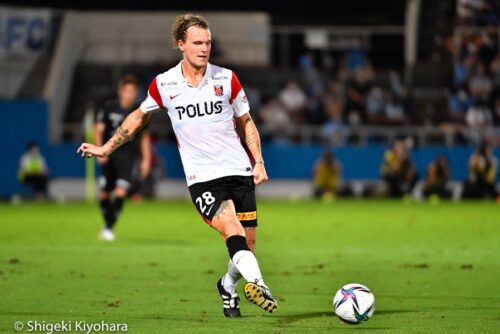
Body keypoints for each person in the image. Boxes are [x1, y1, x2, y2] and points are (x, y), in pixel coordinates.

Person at [77, 14, 277, 317]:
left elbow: (246, 122)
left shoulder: (226, 78)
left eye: (208, 42)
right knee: (230, 228)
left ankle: (227, 285)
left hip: (238, 170)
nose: (204, 48)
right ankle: (260, 285)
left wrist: (258, 161)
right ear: (181, 44)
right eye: (197, 42)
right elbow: (137, 117)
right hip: (202, 178)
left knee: (247, 245)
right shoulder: (165, 84)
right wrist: (106, 147)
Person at [94, 75, 152, 241]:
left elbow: (145, 138)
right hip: (109, 154)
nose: (129, 95)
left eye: (132, 92)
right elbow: (98, 129)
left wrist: (146, 160)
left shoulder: (139, 112)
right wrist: (100, 151)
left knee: (120, 191)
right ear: (121, 92)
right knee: (105, 193)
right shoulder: (109, 107)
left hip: (127, 156)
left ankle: (108, 227)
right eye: (127, 91)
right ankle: (107, 224)